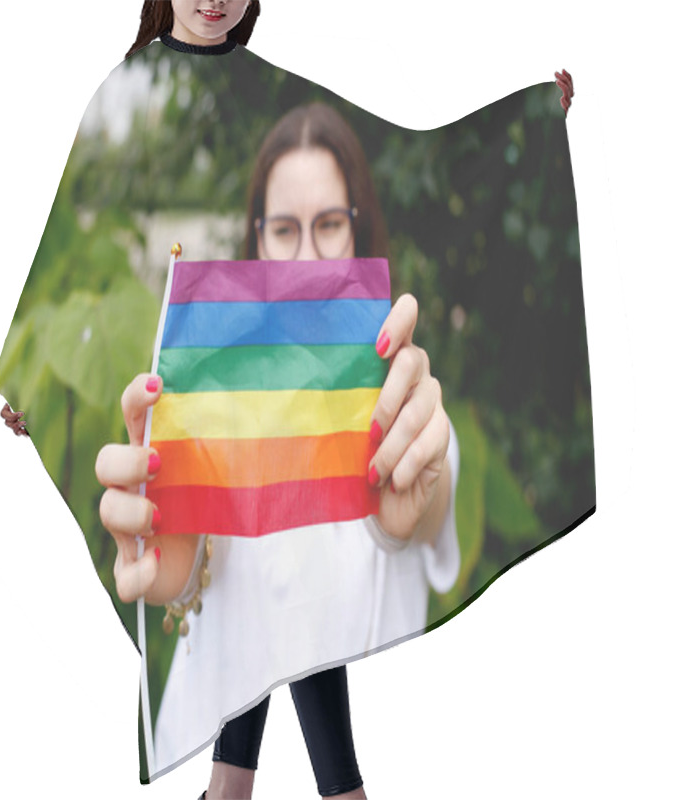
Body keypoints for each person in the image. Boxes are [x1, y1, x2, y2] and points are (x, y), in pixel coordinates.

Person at [95, 3, 460, 798]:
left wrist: (547, 118)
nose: (306, 253)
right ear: (255, 238)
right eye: (284, 228)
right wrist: (167, 562)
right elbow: (190, 572)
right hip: (208, 691)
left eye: (329, 224)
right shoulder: (224, 385)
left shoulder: (399, 390)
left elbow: (434, 492)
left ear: (360, 229)